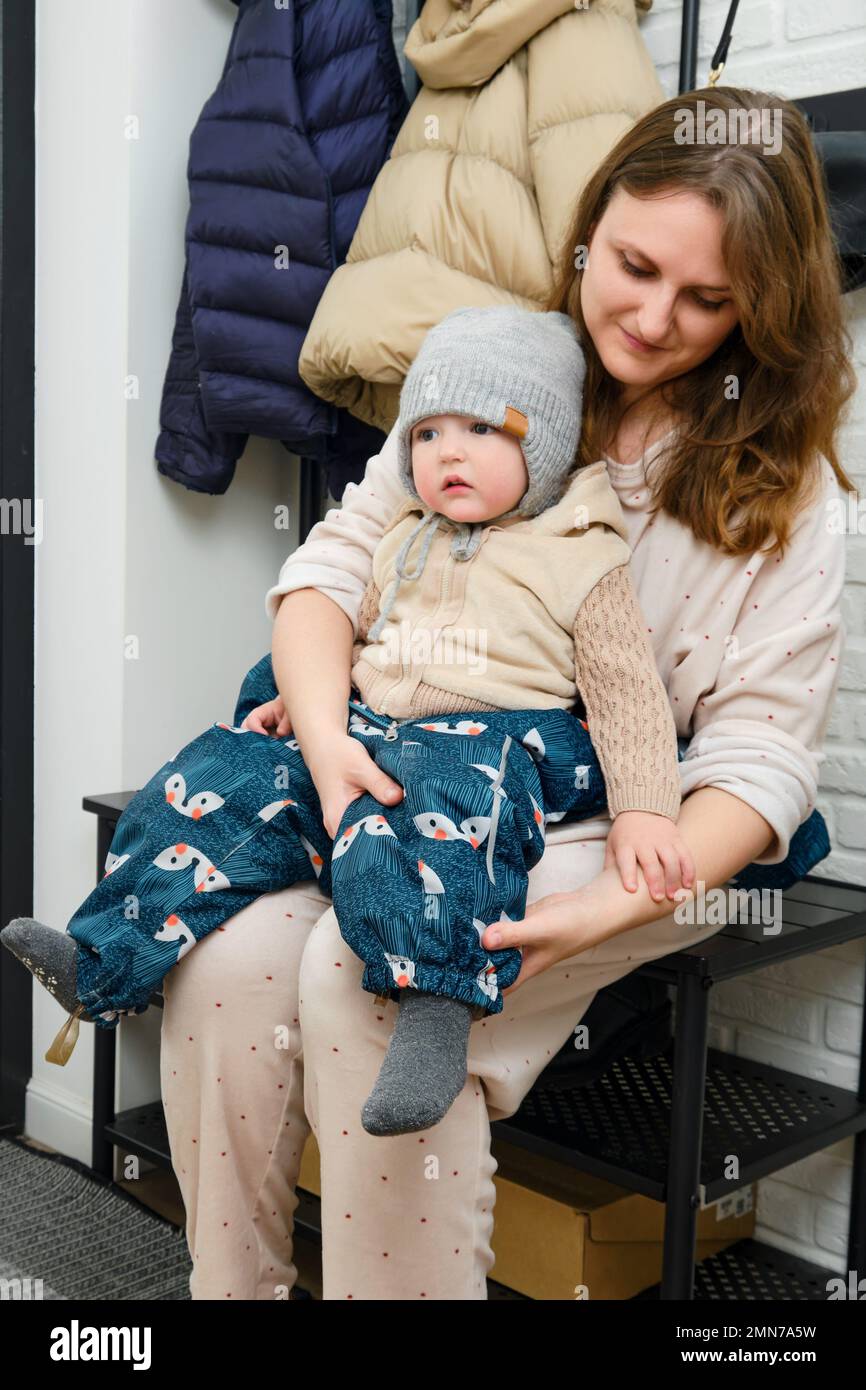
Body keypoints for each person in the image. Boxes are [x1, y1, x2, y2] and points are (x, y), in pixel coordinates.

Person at [30, 86, 866, 1298]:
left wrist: (609, 909)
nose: (648, 317)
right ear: (591, 227)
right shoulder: (496, 372)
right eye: (630, 266)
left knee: (365, 977)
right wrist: (326, 743)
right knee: (226, 951)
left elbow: (759, 763)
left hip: (649, 819)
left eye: (706, 299)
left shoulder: (784, 489)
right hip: (417, 761)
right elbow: (332, 567)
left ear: (763, 308)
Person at [2, 304, 695, 1137]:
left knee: (451, 800)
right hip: (374, 726)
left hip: (504, 736)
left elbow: (627, 692)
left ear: (542, 445)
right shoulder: (403, 535)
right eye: (428, 433)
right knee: (232, 767)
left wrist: (650, 807)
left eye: (480, 428)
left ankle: (436, 1009)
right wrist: (306, 701)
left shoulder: (583, 548)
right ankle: (107, 956)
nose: (449, 452)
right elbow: (353, 631)